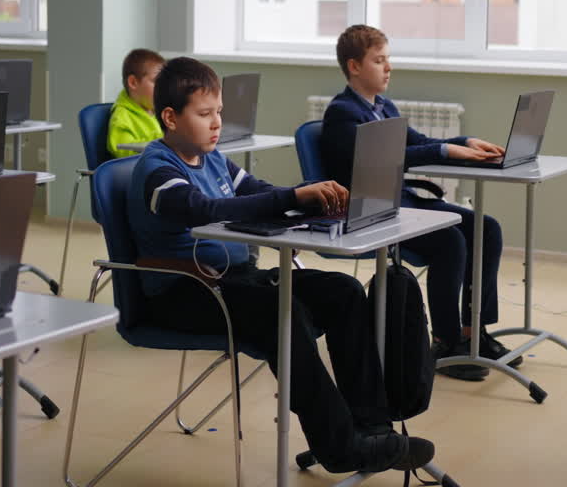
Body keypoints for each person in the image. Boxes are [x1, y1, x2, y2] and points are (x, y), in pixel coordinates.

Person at [128, 57, 435, 474]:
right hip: (183, 292)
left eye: (218, 112)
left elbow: (257, 192)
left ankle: (372, 427)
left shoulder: (214, 159)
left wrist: (307, 195)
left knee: (342, 292)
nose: (217, 122)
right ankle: (340, 445)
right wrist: (294, 198)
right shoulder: (157, 169)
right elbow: (205, 209)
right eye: (204, 114)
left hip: (235, 280)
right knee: (283, 314)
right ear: (170, 117)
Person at [321, 25, 508, 382]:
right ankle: (446, 340)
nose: (388, 67)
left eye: (388, 59)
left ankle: (474, 333)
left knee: (486, 228)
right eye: (379, 61)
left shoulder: (384, 106)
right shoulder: (342, 113)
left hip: (398, 202)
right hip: (367, 212)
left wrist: (465, 141)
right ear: (354, 66)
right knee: (449, 240)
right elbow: (385, 156)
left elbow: (418, 142)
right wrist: (445, 150)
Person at [106, 48, 165, 159]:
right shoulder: (121, 117)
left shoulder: (157, 111)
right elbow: (122, 151)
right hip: (137, 173)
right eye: (156, 81)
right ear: (133, 82)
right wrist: (166, 137)